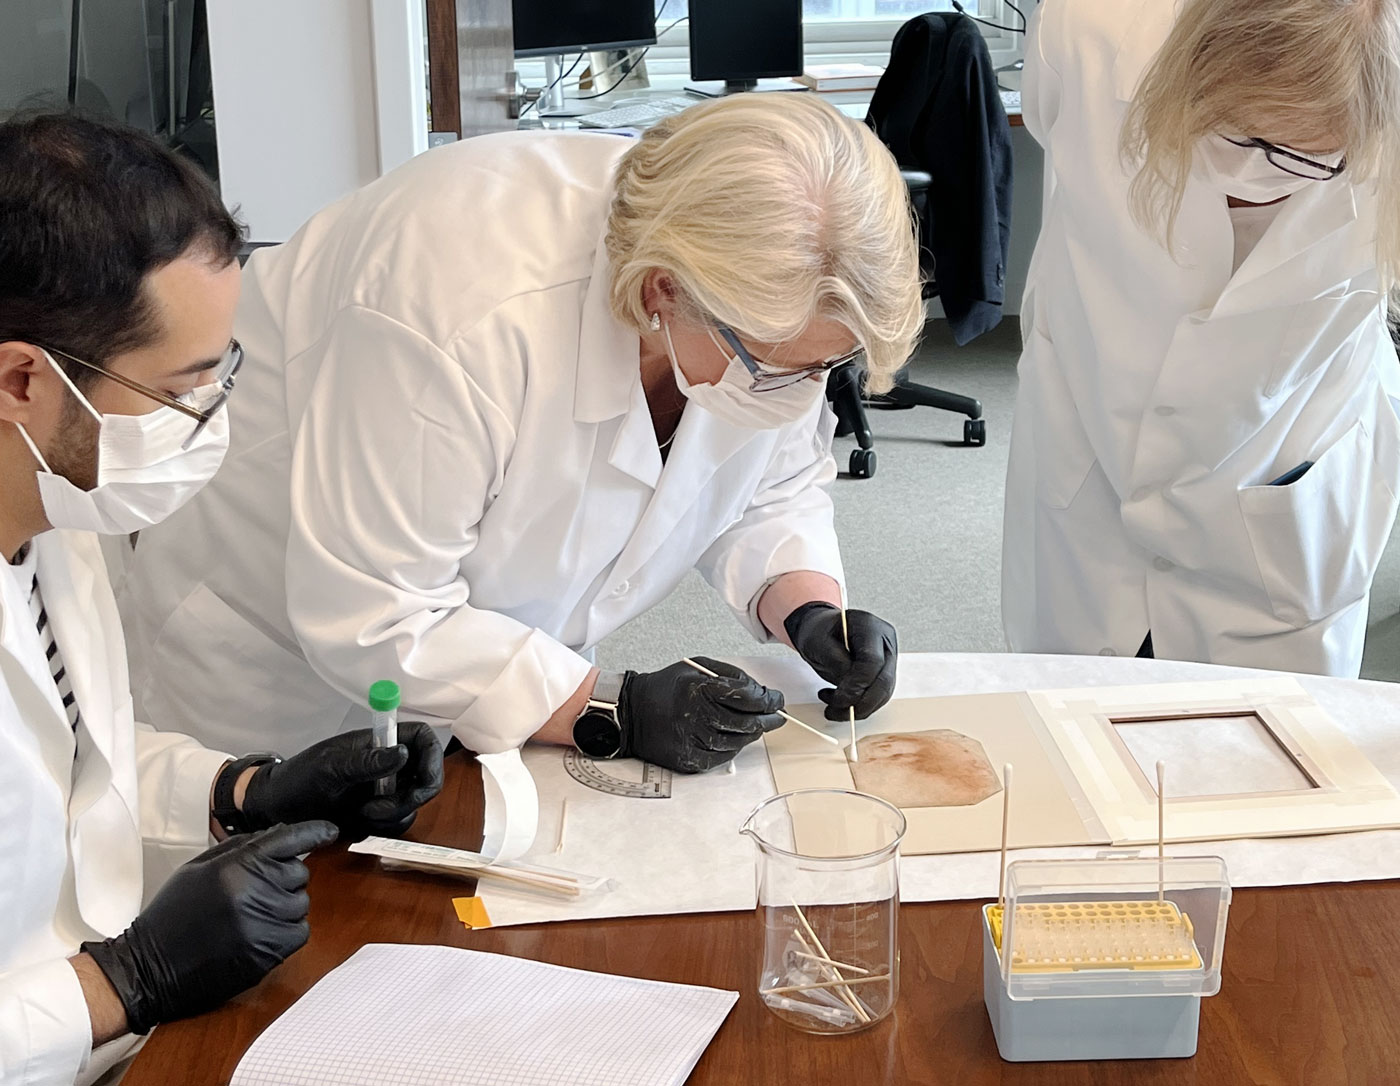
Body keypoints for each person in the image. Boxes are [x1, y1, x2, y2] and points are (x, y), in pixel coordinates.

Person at [118, 94, 921, 774]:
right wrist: (611, 707)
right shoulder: (456, 305)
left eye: (827, 367)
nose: (801, 394)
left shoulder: (756, 300)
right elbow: (380, 613)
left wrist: (806, 605)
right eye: (776, 367)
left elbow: (767, 479)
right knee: (266, 879)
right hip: (274, 653)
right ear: (661, 293)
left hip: (487, 649)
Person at [0, 112, 443, 1086]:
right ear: (23, 379)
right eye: (180, 391)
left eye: (223, 372)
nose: (210, 422)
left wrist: (246, 792)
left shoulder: (57, 518)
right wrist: (123, 981)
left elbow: (72, 770)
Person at [1003, 0, 1400, 675]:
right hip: (1090, 433)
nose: (1252, 177)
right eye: (1231, 135)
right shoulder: (1090, 26)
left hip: (1288, 467)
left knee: (1272, 729)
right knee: (1073, 707)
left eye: (1298, 157)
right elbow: (1050, 121)